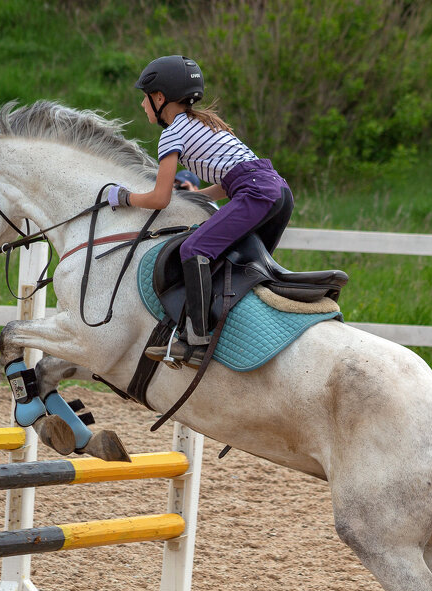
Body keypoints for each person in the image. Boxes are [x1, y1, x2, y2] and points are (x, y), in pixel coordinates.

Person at [106, 54, 294, 369]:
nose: (142, 105)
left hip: (255, 192)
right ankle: (237, 332)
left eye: (145, 98)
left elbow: (159, 198)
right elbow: (229, 180)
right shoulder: (207, 123)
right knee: (235, 265)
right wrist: (196, 198)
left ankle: (196, 340)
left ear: (160, 98)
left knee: (195, 249)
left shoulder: (173, 133)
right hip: (278, 192)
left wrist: (124, 197)